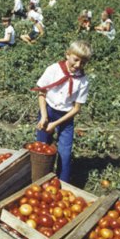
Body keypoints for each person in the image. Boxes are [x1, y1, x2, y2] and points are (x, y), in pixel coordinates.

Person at [31, 40, 92, 183]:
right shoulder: (53, 69)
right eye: (75, 60)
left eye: (82, 63)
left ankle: (61, 183)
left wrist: (55, 124)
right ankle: (38, 177)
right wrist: (44, 116)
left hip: (66, 117)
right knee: (42, 146)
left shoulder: (83, 81)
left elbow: (76, 108)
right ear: (67, 55)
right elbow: (41, 93)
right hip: (48, 110)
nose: (78, 65)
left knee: (65, 153)